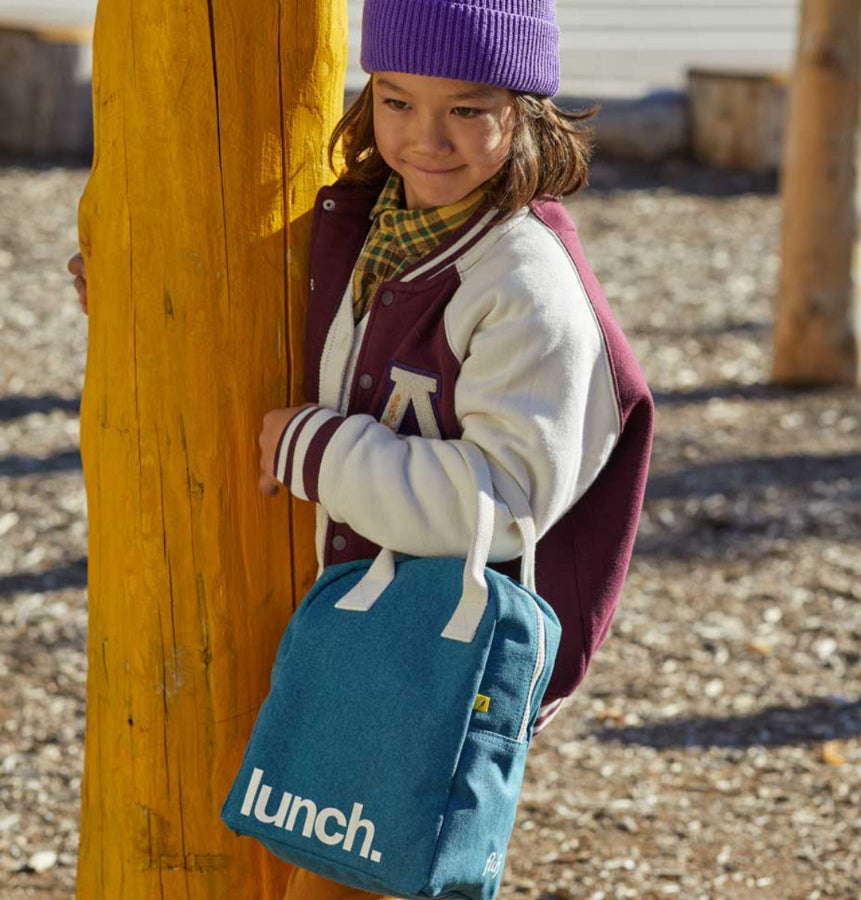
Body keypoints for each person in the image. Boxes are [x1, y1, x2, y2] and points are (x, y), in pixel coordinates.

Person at [69, 1, 654, 897]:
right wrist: (144, 284)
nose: (426, 138)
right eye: (395, 99)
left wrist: (321, 450)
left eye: (468, 108)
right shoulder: (374, 224)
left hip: (429, 659)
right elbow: (288, 330)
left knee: (363, 878)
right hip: (352, 626)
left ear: (528, 109)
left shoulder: (526, 286)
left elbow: (500, 501)